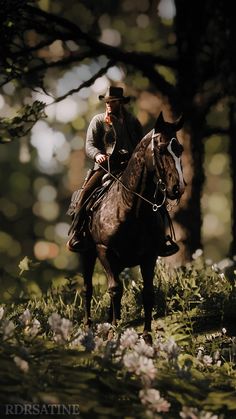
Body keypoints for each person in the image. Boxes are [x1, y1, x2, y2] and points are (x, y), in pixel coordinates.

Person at [66, 85, 179, 256]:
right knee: (84, 194)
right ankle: (78, 234)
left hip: (130, 169)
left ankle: (162, 239)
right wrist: (97, 155)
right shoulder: (98, 121)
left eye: (113, 102)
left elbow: (141, 146)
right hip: (105, 168)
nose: (109, 105)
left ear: (121, 103)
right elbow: (89, 145)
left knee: (155, 196)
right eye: (107, 102)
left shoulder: (132, 121)